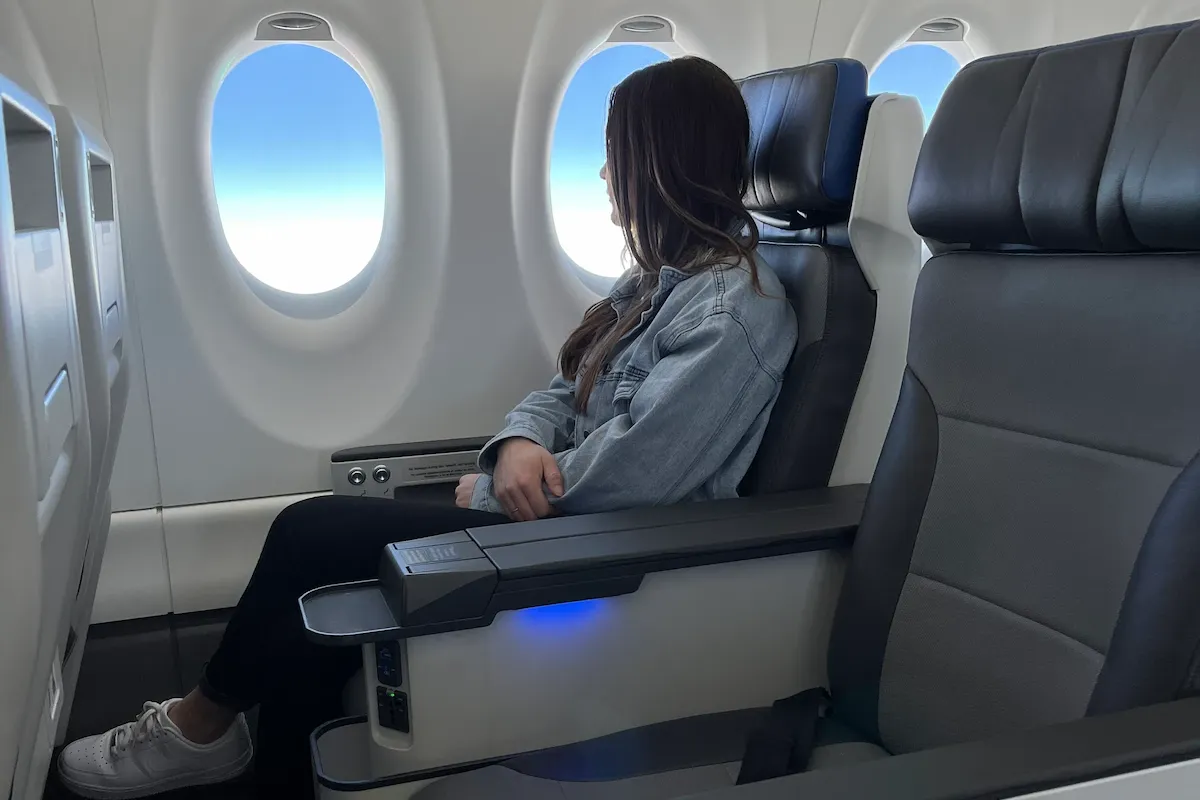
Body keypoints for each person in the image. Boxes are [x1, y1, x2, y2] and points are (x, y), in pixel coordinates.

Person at [56, 55, 798, 799]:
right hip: (552, 517)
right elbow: (558, 391)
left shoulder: (737, 311)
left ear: (659, 160)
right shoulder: (650, 280)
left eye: (615, 154)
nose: (605, 175)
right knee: (321, 588)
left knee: (308, 534)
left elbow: (636, 480)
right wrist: (515, 444)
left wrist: (485, 493)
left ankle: (199, 729)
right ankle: (243, 757)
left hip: (603, 551)